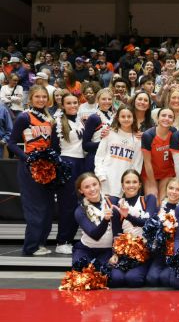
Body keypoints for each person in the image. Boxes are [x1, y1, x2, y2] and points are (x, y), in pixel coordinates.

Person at [7, 85, 59, 256]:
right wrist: (27, 158)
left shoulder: (49, 119)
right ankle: (30, 247)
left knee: (47, 207)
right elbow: (12, 143)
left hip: (47, 167)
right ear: (31, 99)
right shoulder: (24, 117)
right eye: (37, 97)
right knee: (35, 208)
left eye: (44, 97)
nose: (41, 100)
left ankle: (40, 243)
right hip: (29, 167)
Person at [107, 169, 157, 288]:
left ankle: (146, 270)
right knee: (116, 279)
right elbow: (116, 233)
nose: (131, 185)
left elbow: (147, 223)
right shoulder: (118, 206)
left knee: (133, 280)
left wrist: (128, 216)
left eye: (134, 182)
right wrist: (115, 254)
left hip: (144, 253)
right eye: (127, 182)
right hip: (125, 253)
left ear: (140, 184)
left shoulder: (149, 199)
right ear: (122, 186)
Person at [53, 92, 86, 254]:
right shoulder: (58, 122)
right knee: (67, 205)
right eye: (69, 103)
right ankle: (62, 241)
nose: (73, 105)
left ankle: (70, 239)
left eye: (75, 102)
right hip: (67, 163)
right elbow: (53, 148)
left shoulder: (80, 120)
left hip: (82, 163)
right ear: (63, 105)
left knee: (79, 204)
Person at [145, 177, 179, 287]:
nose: (173, 192)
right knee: (151, 279)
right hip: (160, 252)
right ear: (166, 189)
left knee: (164, 279)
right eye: (171, 188)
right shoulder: (159, 208)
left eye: (178, 189)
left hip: (174, 252)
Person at [72, 173, 118, 266]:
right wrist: (106, 219)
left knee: (105, 275)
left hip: (108, 250)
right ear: (81, 190)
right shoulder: (80, 210)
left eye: (94, 184)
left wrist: (116, 252)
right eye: (87, 187)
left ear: (100, 185)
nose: (92, 189)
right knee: (81, 275)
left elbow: (120, 229)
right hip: (86, 249)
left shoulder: (113, 201)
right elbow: (95, 235)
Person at [141, 108, 177, 200]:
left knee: (163, 201)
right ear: (157, 118)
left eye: (170, 117)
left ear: (173, 120)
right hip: (150, 174)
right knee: (152, 200)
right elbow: (147, 162)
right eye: (163, 115)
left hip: (167, 173)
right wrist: (153, 184)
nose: (166, 118)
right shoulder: (148, 135)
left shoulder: (174, 132)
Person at [82, 88, 115, 173]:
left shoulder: (112, 117)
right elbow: (85, 145)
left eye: (109, 99)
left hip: (108, 158)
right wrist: (105, 144)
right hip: (94, 158)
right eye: (103, 99)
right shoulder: (94, 117)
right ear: (97, 100)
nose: (107, 101)